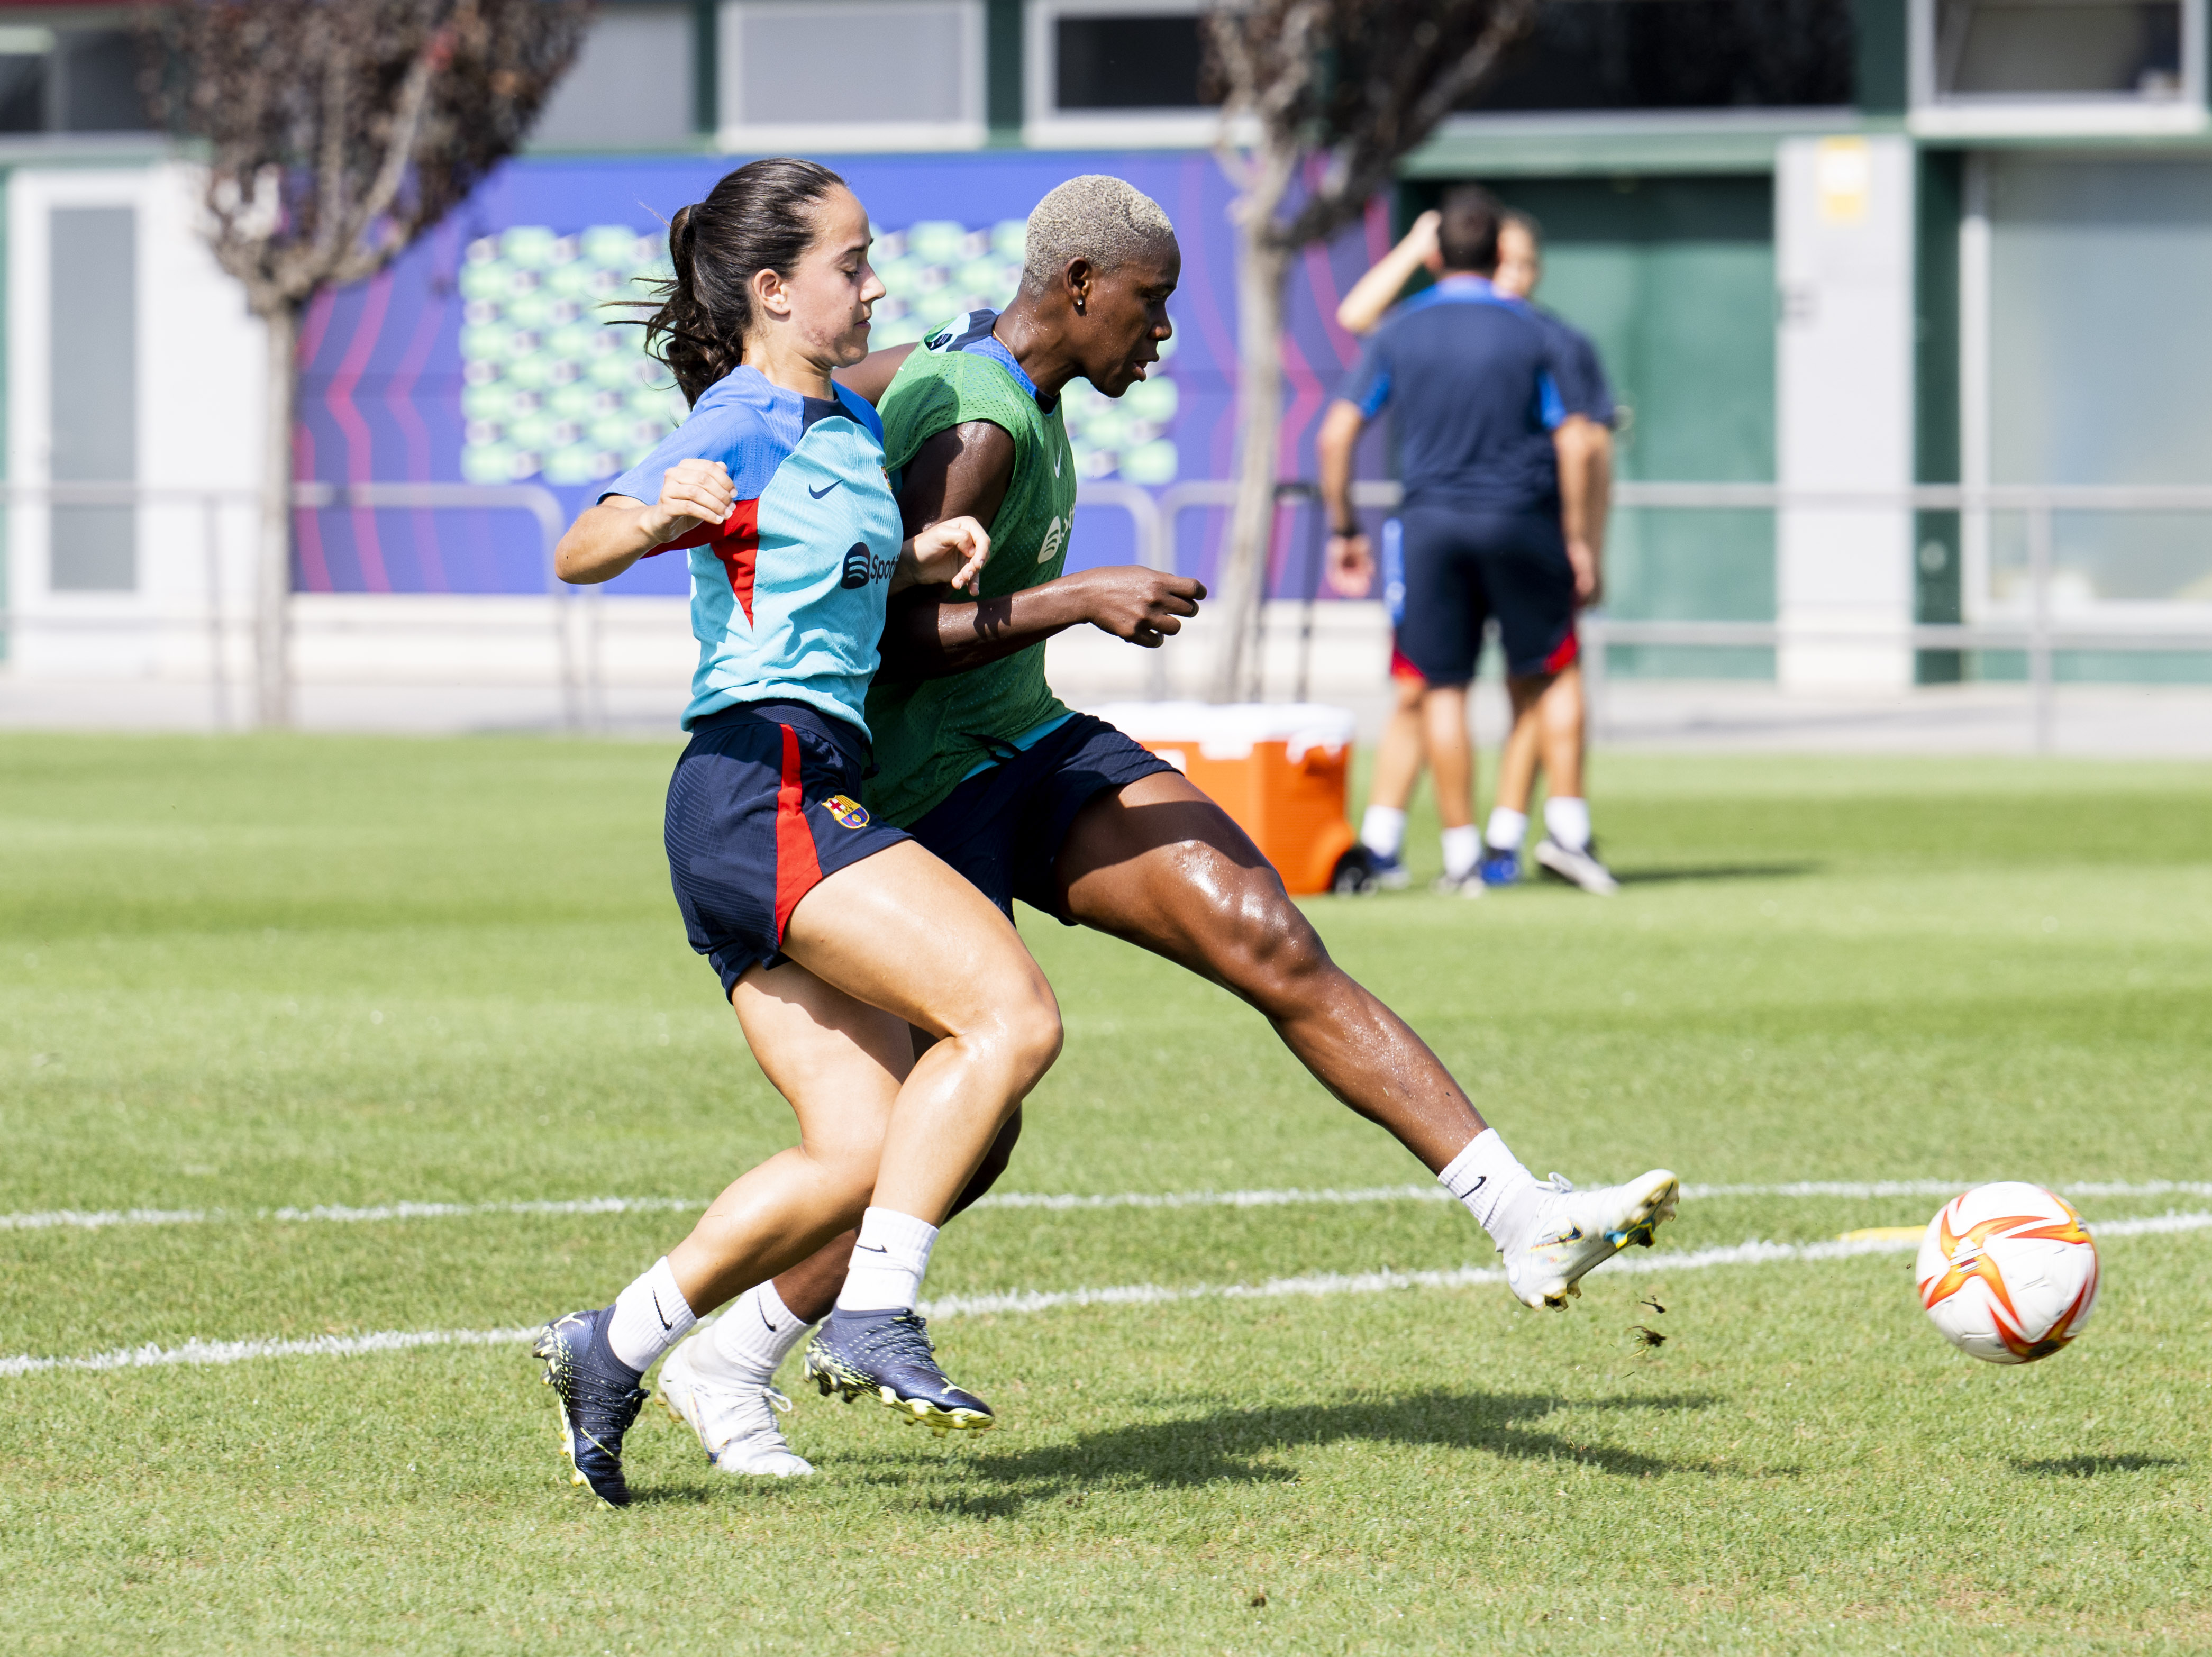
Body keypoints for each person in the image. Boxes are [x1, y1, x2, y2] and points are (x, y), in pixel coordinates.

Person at [656, 174, 1680, 1478]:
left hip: (1023, 741)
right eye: (1151, 303)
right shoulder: (976, 428)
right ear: (1080, 287)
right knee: (957, 1136)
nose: (1161, 333)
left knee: (1265, 933)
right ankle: (722, 1353)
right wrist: (1076, 596)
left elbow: (906, 367)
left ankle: (1521, 1214)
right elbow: (888, 639)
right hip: (913, 791)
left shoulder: (996, 367)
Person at [531, 158, 1050, 1507]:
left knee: (858, 1147)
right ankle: (875, 1312)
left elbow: (828, 588)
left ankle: (618, 1342)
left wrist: (920, 557)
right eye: (853, 264)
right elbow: (579, 546)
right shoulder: (749, 413)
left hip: (776, 793)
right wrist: (654, 516)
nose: (875, 285)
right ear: (774, 291)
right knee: (1008, 1017)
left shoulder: (837, 429)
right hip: (758, 785)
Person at [1315, 187, 1595, 898]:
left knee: (1440, 688)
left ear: (1436, 253)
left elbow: (1336, 434)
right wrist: (1580, 538)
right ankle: (1561, 829)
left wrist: (1346, 529)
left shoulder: (1405, 330)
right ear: (1502, 255)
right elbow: (1581, 442)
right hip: (1521, 518)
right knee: (1551, 671)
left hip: (1431, 523)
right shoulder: (1537, 333)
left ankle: (1465, 852)